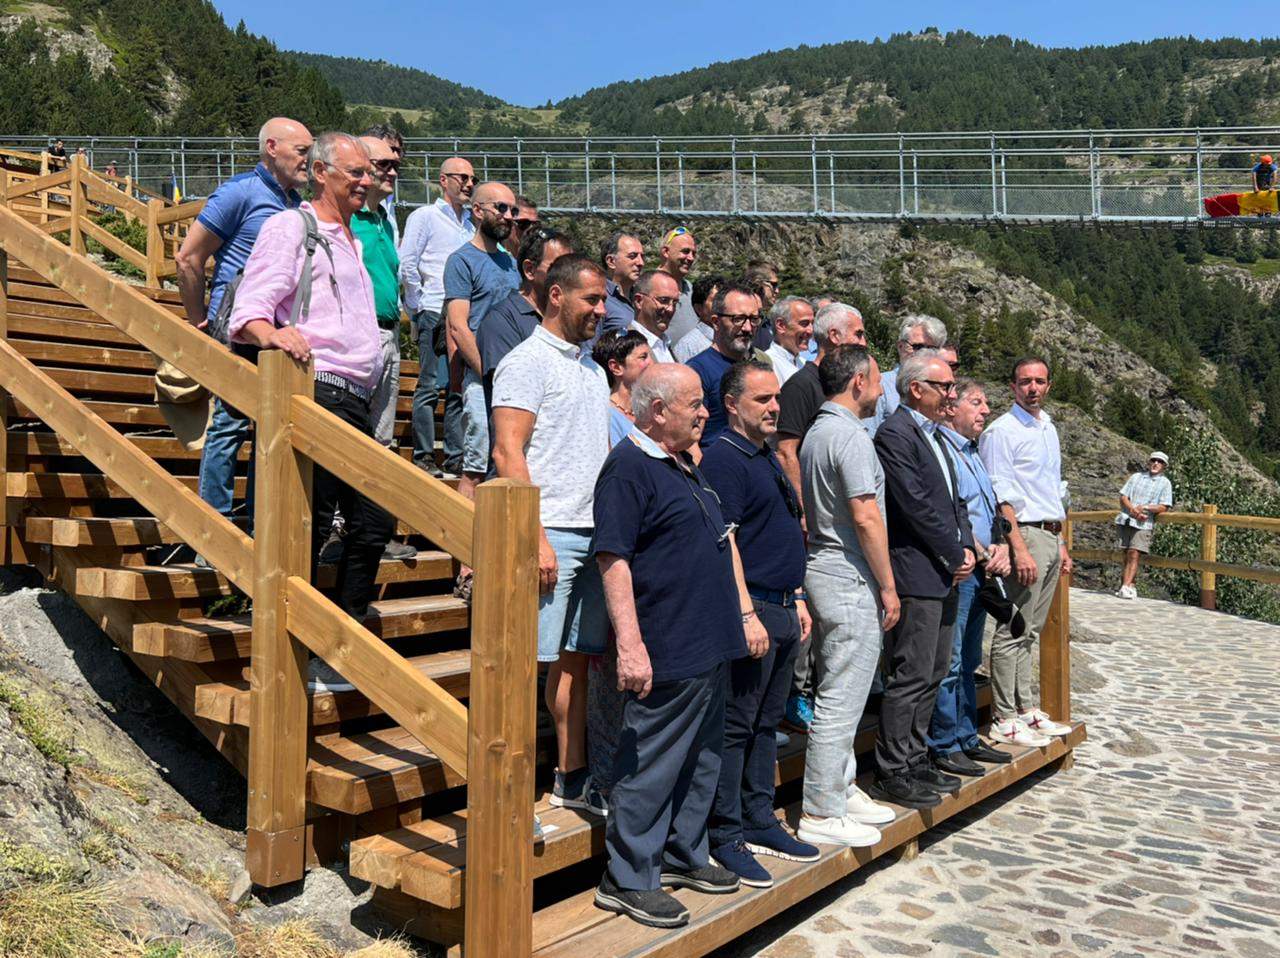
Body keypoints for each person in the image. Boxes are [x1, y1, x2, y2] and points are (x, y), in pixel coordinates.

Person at [227, 132, 394, 692]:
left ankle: (334, 643)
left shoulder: (352, 238)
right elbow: (251, 309)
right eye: (356, 172)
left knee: (372, 521)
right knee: (313, 522)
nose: (367, 181)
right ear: (321, 173)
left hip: (356, 398)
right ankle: (296, 653)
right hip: (315, 389)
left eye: (368, 172)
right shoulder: (291, 226)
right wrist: (273, 335)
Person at [592, 364, 749, 928]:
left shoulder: (681, 462)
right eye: (695, 404)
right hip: (666, 644)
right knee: (652, 762)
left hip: (706, 641)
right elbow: (613, 558)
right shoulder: (628, 468)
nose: (706, 412)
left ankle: (683, 853)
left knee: (702, 757)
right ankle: (628, 877)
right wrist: (630, 645)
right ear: (657, 411)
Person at [492, 254, 612, 819]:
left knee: (575, 662)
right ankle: (507, 787)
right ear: (557, 295)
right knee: (523, 666)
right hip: (551, 533)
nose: (602, 309)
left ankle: (571, 775)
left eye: (605, 299)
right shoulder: (525, 362)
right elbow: (507, 452)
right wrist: (535, 537)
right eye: (592, 298)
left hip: (593, 531)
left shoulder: (593, 370)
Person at [701, 360, 819, 886]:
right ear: (731, 404)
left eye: (776, 398)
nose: (774, 407)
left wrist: (797, 597)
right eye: (762, 399)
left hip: (783, 607)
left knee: (767, 724)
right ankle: (725, 833)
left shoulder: (764, 454)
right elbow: (724, 542)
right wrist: (747, 611)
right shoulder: (725, 458)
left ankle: (758, 817)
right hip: (751, 612)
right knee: (737, 727)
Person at [175, 117, 312, 526]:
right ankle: (214, 527)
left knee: (269, 430)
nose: (308, 160)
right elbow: (189, 258)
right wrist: (199, 322)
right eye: (302, 151)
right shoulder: (240, 193)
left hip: (278, 332)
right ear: (272, 148)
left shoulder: (297, 206)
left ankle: (257, 527)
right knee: (231, 424)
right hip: (236, 327)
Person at [795, 344, 899, 846]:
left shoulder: (818, 432)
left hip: (824, 566)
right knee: (841, 695)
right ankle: (820, 808)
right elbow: (865, 515)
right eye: (876, 380)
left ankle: (841, 785)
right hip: (849, 574)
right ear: (858, 382)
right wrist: (888, 585)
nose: (880, 390)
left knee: (840, 687)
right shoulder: (851, 437)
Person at [871, 351, 976, 809]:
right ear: (916, 389)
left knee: (935, 670)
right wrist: (954, 553)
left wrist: (966, 546)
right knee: (911, 674)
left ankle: (916, 758)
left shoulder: (935, 435)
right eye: (945, 386)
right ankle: (892, 769)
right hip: (917, 572)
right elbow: (913, 504)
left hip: (945, 572)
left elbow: (955, 502)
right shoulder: (895, 434)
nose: (952, 394)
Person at [774, 302, 868, 733]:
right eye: (858, 334)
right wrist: (803, 510)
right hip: (810, 524)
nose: (864, 342)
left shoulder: (833, 388)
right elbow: (786, 450)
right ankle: (796, 697)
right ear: (835, 337)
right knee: (807, 612)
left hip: (834, 523)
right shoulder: (801, 386)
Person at [979, 356, 1075, 746]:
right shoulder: (1002, 432)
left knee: (1031, 630)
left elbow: (1053, 488)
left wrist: (1061, 543)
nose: (1032, 388)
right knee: (1013, 626)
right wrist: (1017, 547)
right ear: (1013, 386)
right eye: (1024, 382)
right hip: (1026, 533)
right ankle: (1004, 715)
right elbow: (1000, 493)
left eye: (1039, 381)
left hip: (1050, 532)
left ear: (1049, 385)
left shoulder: (1047, 427)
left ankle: (1025, 709)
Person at [927, 380, 1015, 774]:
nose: (985, 410)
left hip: (983, 568)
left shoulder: (973, 451)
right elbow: (949, 512)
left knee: (969, 659)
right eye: (976, 402)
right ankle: (945, 743)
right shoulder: (941, 450)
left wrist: (1000, 546)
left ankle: (966, 736)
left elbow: (986, 509)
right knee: (949, 660)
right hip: (960, 569)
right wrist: (980, 551)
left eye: (986, 403)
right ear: (950, 408)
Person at [351, 136, 418, 561]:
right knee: (353, 434)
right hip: (357, 335)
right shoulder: (345, 217)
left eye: (396, 164)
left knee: (382, 438)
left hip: (389, 334)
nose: (393, 171)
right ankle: (342, 528)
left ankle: (374, 531)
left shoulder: (384, 221)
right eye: (384, 164)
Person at [442, 180, 521, 508]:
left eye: (513, 210)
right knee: (475, 466)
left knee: (507, 464)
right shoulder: (461, 261)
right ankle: (465, 539)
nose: (509, 216)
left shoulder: (511, 264)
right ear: (477, 210)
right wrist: (487, 372)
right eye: (500, 208)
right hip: (482, 377)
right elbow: (458, 325)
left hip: (514, 379)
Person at [399, 156, 476, 477]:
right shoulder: (425, 217)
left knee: (457, 386)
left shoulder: (470, 225)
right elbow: (407, 262)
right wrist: (418, 306)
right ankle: (424, 455)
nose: (469, 184)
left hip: (461, 314)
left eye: (472, 179)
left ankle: (455, 457)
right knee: (429, 385)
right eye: (462, 177)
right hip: (432, 309)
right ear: (443, 180)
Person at [477, 227, 574, 401]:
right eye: (558, 267)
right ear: (529, 270)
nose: (569, 276)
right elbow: (511, 390)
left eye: (571, 268)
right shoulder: (501, 321)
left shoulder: (568, 318)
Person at [686, 280, 761, 447]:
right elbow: (690, 444)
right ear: (716, 322)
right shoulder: (697, 371)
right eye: (738, 319)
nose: (748, 328)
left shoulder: (754, 367)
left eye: (754, 319)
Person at [867, 314, 948, 435]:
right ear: (900, 347)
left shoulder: (945, 390)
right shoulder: (880, 385)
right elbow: (869, 434)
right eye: (918, 347)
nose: (924, 354)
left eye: (932, 349)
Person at [1114, 451, 1173, 600]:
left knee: (1134, 553)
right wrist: (1133, 510)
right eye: (1153, 460)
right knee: (1126, 553)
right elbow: (1123, 496)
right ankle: (1130, 586)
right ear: (1148, 462)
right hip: (1127, 519)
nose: (1156, 463)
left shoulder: (1165, 483)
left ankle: (1125, 586)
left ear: (1164, 466)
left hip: (1144, 523)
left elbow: (1164, 506)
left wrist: (1144, 508)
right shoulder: (1136, 477)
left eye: (1160, 462)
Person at [593, 329, 654, 447]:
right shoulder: (606, 416)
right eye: (643, 357)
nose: (651, 363)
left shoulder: (649, 409)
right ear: (616, 367)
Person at [360, 123, 404, 244]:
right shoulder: (350, 215)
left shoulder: (386, 195)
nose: (396, 156)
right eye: (391, 149)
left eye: (399, 151)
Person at [657, 227, 700, 344]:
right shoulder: (648, 286)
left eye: (693, 253)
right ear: (666, 252)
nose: (691, 258)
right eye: (685, 251)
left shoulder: (691, 289)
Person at [599, 232, 645, 336]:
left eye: (642, 256)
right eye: (632, 256)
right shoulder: (599, 299)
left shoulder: (642, 297)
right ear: (611, 261)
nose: (641, 263)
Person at [629, 269, 680, 362]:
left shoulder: (666, 345)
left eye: (675, 303)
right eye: (664, 300)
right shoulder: (626, 346)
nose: (671, 309)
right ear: (639, 301)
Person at [672, 275, 724, 363]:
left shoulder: (733, 338)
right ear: (699, 309)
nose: (723, 305)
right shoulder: (687, 347)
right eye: (716, 300)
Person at [764, 296, 814, 385]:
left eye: (812, 323)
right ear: (781, 325)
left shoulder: (804, 363)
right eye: (804, 323)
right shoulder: (768, 366)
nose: (811, 330)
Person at [745, 259, 780, 349]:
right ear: (758, 283)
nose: (777, 291)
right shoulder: (744, 324)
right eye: (774, 285)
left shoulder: (767, 322)